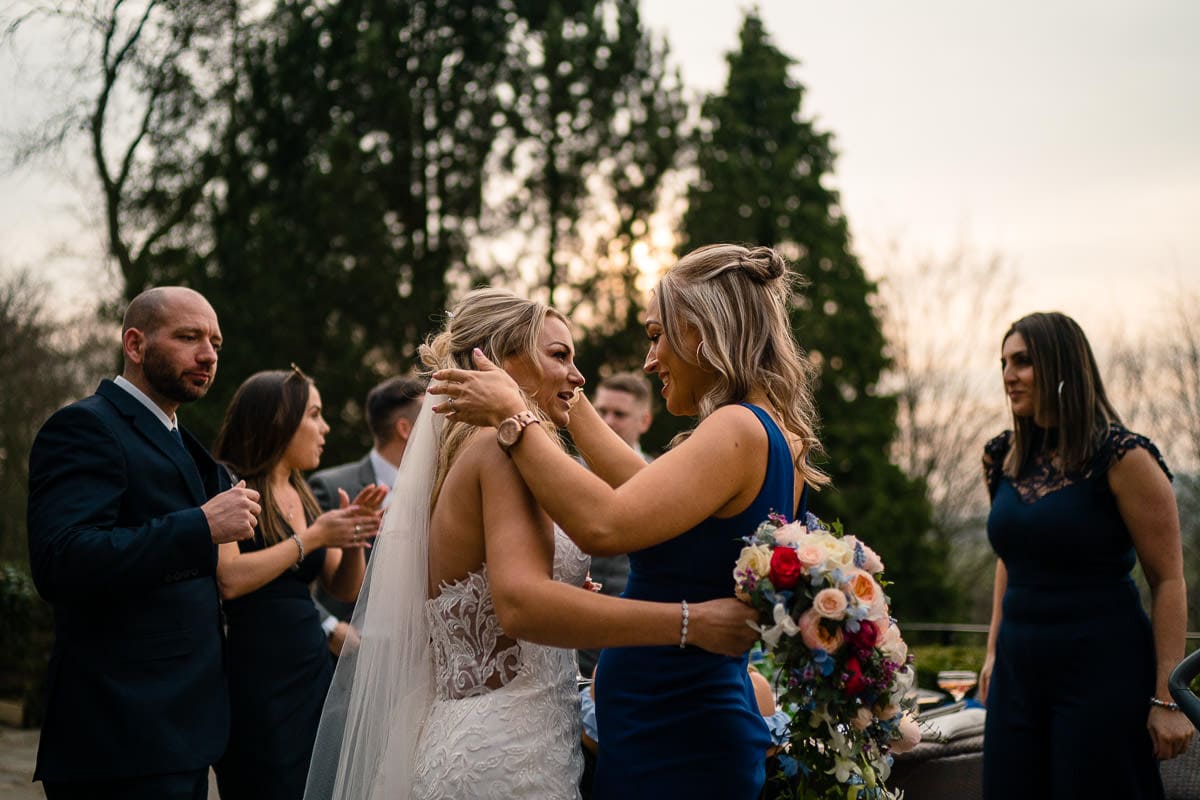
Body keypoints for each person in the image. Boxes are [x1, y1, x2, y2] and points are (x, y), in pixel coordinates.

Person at [304, 287, 760, 800]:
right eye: (560, 355)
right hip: (508, 754)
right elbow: (522, 603)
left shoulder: (462, 458)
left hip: (481, 736)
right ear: (502, 362)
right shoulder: (501, 453)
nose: (579, 377)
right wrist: (693, 623)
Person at [430, 244, 827, 800]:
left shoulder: (734, 428)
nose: (649, 358)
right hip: (666, 720)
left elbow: (606, 524)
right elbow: (635, 484)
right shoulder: (769, 432)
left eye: (656, 335)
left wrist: (516, 414)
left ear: (699, 333)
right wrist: (556, 394)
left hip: (677, 726)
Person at [26, 286, 261, 800]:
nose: (209, 355)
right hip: (119, 734)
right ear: (134, 345)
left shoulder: (180, 437)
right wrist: (199, 526)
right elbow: (61, 560)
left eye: (216, 343)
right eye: (189, 337)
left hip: (180, 729)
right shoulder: (85, 427)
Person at [977, 311, 1192, 799]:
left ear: (1062, 366)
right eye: (1004, 362)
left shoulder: (1124, 457)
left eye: (1024, 361)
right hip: (1017, 673)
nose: (1009, 375)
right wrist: (991, 652)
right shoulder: (1001, 458)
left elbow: (1169, 579)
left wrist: (1168, 697)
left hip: (1102, 671)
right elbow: (1010, 557)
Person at [210, 368, 384, 800]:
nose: (324, 428)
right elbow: (229, 579)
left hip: (310, 669)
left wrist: (354, 535)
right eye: (314, 415)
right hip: (256, 673)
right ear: (278, 420)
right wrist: (313, 537)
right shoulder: (230, 482)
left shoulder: (303, 491)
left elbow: (343, 589)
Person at [308, 375, 426, 644]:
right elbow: (299, 573)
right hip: (351, 652)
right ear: (405, 429)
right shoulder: (331, 486)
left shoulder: (439, 489)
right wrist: (330, 627)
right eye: (430, 422)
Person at [578, 370, 655, 678]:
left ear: (645, 421)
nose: (608, 421)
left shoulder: (666, 476)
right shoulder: (563, 470)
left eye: (619, 414)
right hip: (570, 636)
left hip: (634, 637)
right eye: (602, 411)